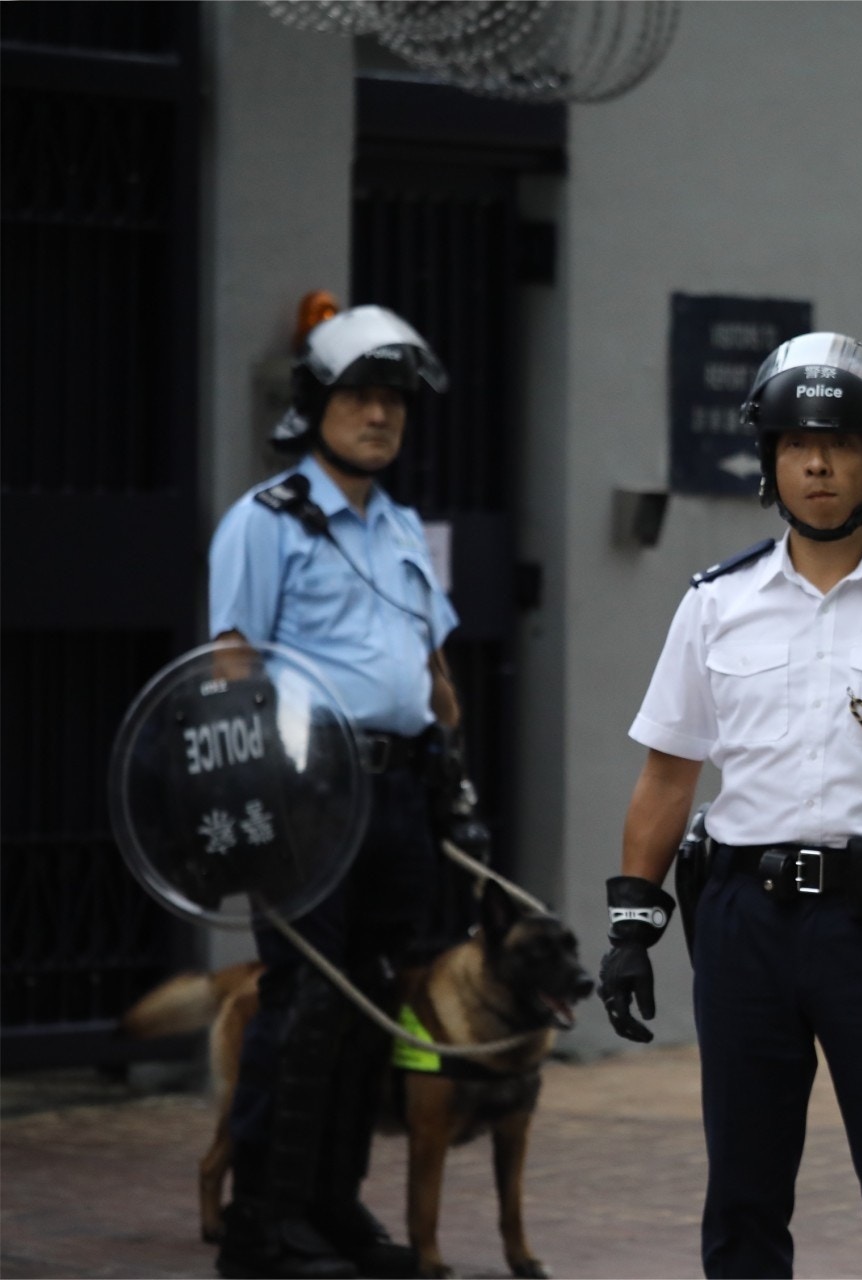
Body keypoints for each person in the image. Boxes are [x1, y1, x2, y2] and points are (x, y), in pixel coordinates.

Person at [600, 332, 862, 1278]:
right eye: (797, 443)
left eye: (842, 444)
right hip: (742, 927)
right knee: (745, 1201)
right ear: (770, 461)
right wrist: (632, 922)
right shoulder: (716, 605)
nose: (820, 463)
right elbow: (668, 773)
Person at [207, 303, 482, 1279]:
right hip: (304, 792)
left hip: (399, 793)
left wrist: (453, 774)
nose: (381, 414)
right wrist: (252, 796)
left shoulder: (404, 526)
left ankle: (332, 1204)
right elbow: (233, 665)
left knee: (377, 998)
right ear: (316, 403)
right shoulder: (264, 520)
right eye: (361, 394)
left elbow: (432, 668)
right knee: (302, 1005)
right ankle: (263, 1226)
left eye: (395, 398)